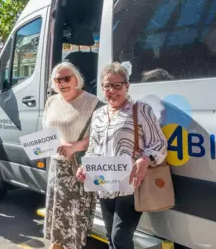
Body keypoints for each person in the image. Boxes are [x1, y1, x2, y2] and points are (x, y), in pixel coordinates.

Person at [76, 62, 167, 249]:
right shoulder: (99, 114)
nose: (112, 91)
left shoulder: (140, 110)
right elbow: (93, 148)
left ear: (127, 86)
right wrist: (85, 166)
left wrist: (144, 159)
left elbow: (159, 144)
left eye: (117, 85)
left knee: (120, 238)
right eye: (107, 86)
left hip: (131, 185)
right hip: (104, 184)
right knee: (111, 237)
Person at [42, 62, 103, 249]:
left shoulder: (93, 103)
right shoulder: (52, 101)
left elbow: (99, 135)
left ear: (77, 78)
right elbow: (47, 131)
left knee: (75, 218)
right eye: (58, 80)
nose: (62, 83)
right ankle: (56, 245)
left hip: (79, 169)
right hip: (57, 168)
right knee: (58, 216)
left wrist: (76, 146)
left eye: (66, 78)